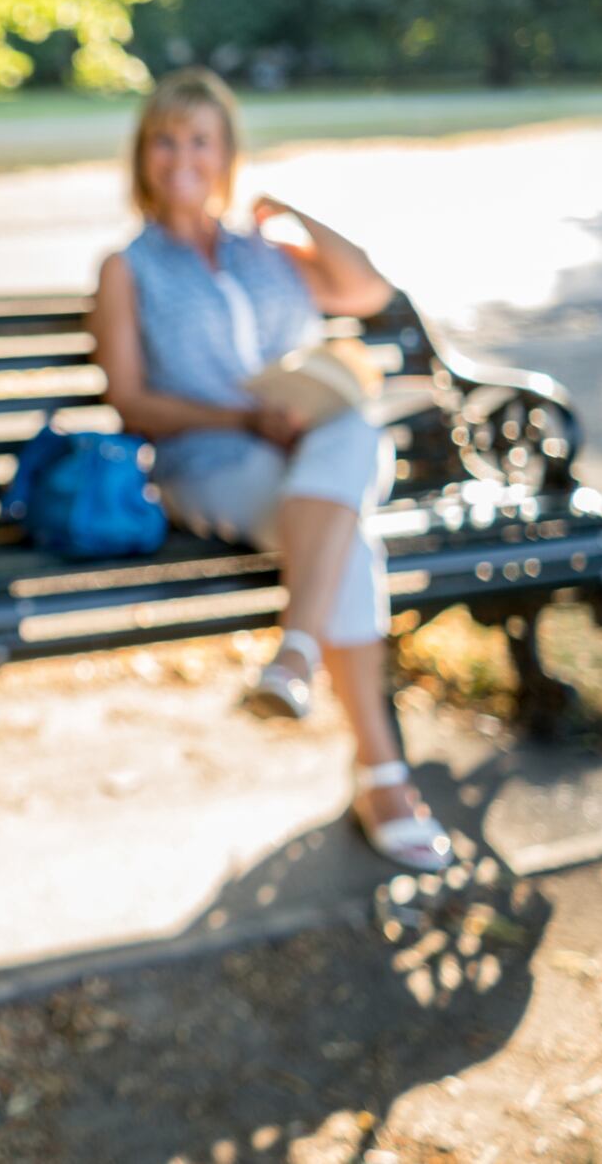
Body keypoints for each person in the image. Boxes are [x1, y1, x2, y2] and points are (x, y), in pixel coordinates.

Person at [88, 68, 452, 873]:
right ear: (144, 155)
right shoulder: (128, 267)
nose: (182, 156)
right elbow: (132, 401)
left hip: (318, 449)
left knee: (351, 429)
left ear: (226, 154)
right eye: (165, 140)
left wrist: (295, 214)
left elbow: (365, 287)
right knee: (346, 532)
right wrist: (244, 418)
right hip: (211, 464)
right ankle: (382, 778)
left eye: (200, 140)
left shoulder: (271, 251)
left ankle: (297, 658)